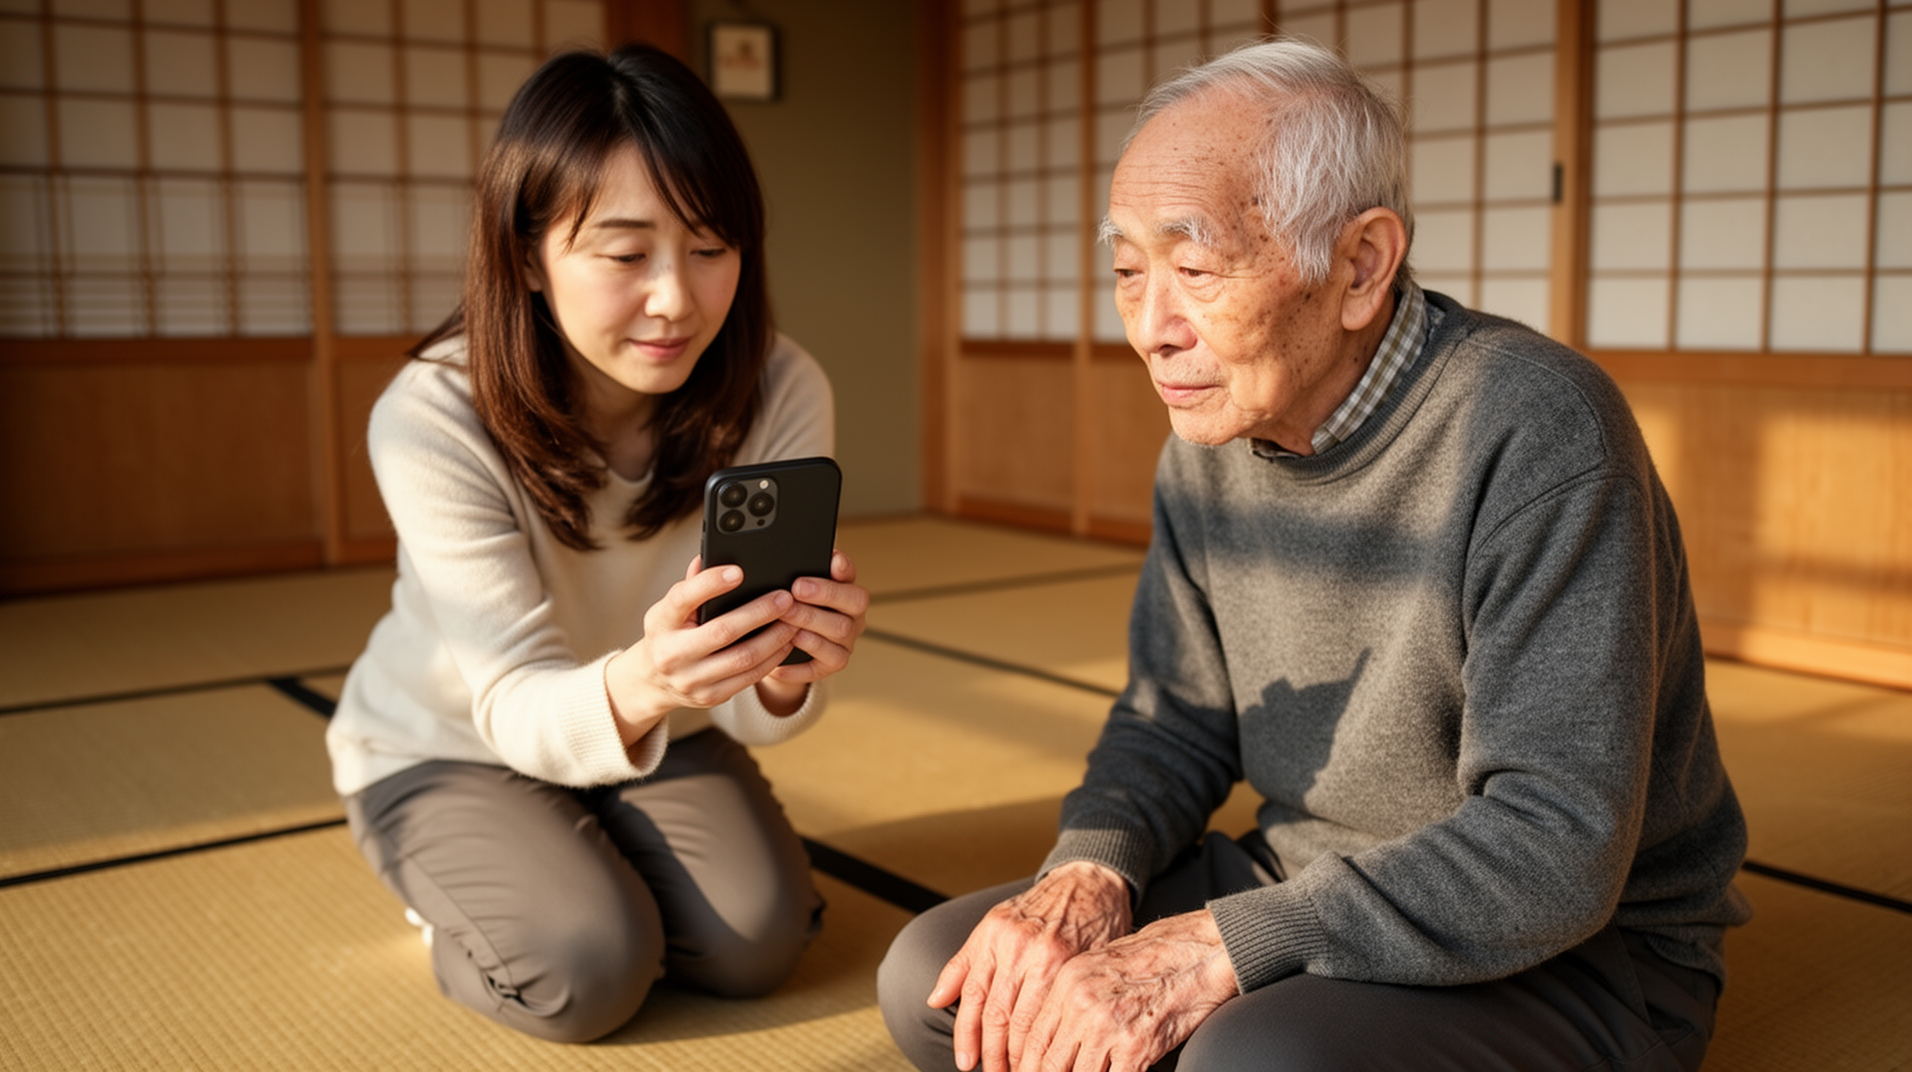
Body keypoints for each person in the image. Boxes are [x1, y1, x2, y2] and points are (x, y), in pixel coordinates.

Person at [878, 38, 1749, 1072]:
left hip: (1578, 953)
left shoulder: (1536, 427)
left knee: (1251, 1061)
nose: (1151, 328)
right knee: (946, 978)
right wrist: (1092, 869)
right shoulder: (1208, 440)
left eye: (1195, 268)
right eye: (1127, 270)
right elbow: (1172, 723)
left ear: (1360, 265)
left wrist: (1216, 949)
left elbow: (1556, 844)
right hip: (1301, 879)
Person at [326, 44, 868, 1043]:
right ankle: (454, 882)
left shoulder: (782, 387)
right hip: (452, 743)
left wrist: (787, 672)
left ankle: (587, 849)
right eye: (626, 254)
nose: (675, 297)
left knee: (757, 945)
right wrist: (653, 682)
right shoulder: (434, 414)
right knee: (587, 969)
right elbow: (511, 695)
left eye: (711, 248)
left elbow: (758, 703)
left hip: (661, 728)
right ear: (529, 253)